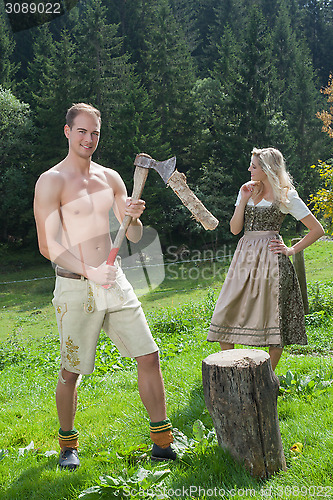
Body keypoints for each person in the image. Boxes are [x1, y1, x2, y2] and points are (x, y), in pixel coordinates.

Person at [33, 103, 176, 469]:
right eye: (82, 131)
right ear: (67, 132)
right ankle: (68, 446)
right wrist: (89, 271)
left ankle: (162, 442)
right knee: (71, 371)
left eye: (95, 132)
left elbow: (134, 235)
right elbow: (47, 245)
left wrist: (133, 216)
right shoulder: (52, 180)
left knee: (149, 354)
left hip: (114, 281)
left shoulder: (111, 177)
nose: (89, 138)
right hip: (75, 286)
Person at [207, 147, 324, 371]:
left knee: (272, 317)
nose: (249, 169)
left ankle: (266, 377)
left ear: (268, 169)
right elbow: (234, 229)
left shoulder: (286, 195)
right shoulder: (247, 190)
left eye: (254, 166)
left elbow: (316, 229)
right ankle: (235, 370)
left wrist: (291, 250)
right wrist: (242, 199)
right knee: (225, 310)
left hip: (271, 260)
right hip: (244, 257)